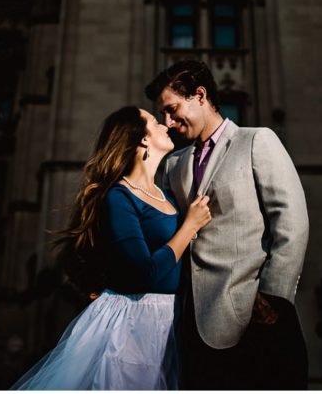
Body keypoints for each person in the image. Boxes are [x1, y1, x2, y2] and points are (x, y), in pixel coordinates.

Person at [12, 106, 212, 390]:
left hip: (173, 321)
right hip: (133, 325)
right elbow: (145, 273)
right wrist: (190, 226)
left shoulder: (167, 195)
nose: (165, 126)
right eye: (155, 123)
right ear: (142, 139)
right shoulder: (118, 196)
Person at [145, 60, 311, 390]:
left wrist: (273, 298)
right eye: (163, 114)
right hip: (191, 325)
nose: (168, 122)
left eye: (173, 109)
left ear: (200, 95)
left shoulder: (257, 141)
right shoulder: (175, 164)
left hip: (255, 317)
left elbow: (291, 220)